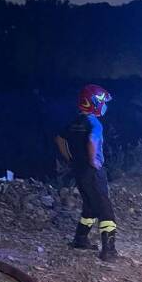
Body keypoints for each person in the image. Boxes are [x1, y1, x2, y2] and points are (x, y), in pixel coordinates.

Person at [55, 84, 119, 262]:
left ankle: (80, 239)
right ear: (94, 102)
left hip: (78, 170)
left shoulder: (75, 122)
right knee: (105, 209)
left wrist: (69, 158)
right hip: (93, 172)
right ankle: (109, 250)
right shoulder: (94, 123)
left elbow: (59, 139)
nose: (105, 105)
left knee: (90, 205)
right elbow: (92, 140)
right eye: (102, 102)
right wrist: (94, 161)